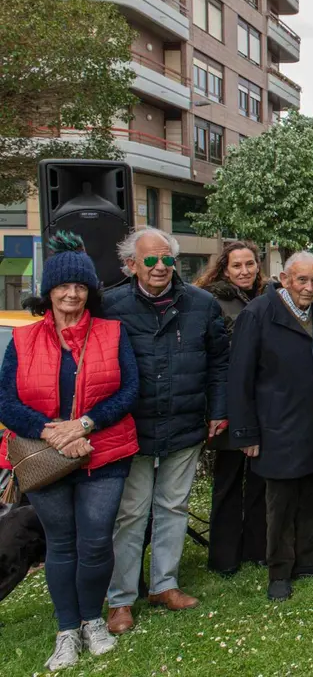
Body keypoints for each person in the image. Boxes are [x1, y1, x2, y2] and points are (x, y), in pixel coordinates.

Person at [0, 233, 138, 671]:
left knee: (95, 543)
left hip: (104, 453)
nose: (72, 294)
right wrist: (54, 433)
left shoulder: (113, 333)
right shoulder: (21, 341)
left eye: (80, 287)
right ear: (49, 292)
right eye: (63, 287)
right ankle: (66, 631)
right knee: (61, 546)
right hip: (44, 458)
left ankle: (93, 621)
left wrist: (84, 425)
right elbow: (5, 400)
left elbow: (130, 389)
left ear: (90, 292)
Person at [103, 228, 228, 634]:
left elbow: (219, 363)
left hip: (185, 420)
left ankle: (164, 584)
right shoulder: (110, 305)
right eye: (151, 260)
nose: (160, 267)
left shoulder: (202, 303)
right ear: (131, 265)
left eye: (167, 260)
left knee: (173, 507)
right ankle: (121, 599)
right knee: (131, 514)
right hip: (131, 427)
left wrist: (218, 410)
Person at [228, 252, 313, 601]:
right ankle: (279, 571)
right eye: (302, 280)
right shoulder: (258, 315)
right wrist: (245, 431)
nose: (310, 288)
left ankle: (311, 559)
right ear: (285, 279)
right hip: (278, 423)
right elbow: (240, 376)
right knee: (280, 502)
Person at [194, 241, 268, 576]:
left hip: (260, 400)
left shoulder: (264, 295)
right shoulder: (212, 299)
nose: (244, 271)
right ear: (225, 268)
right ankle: (224, 556)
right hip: (227, 400)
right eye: (237, 266)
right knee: (227, 480)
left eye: (249, 264)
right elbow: (212, 355)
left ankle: (255, 548)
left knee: (257, 479)